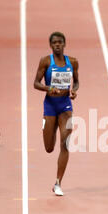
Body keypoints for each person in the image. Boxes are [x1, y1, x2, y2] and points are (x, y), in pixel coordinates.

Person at [33, 32, 79, 196]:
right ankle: (49, 129)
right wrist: (48, 88)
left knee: (65, 142)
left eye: (60, 42)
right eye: (54, 42)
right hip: (50, 106)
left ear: (64, 44)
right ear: (51, 45)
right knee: (49, 148)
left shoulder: (72, 62)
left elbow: (77, 81)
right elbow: (36, 83)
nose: (57, 45)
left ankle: (58, 182)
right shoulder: (46, 61)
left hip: (65, 105)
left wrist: (73, 90)